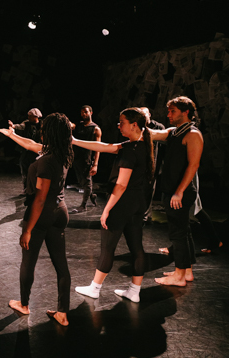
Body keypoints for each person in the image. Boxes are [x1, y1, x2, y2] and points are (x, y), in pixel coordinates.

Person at [0, 113, 73, 326]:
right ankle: (62, 313)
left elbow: (40, 200)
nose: (40, 130)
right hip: (60, 211)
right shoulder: (62, 153)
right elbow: (31, 145)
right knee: (61, 266)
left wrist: (27, 229)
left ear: (49, 132)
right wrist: (12, 135)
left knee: (28, 263)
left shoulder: (47, 161)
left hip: (43, 214)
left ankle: (24, 305)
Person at [73, 108, 154, 303]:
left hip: (123, 203)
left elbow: (121, 184)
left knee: (107, 248)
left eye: (122, 122)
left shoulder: (130, 151)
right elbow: (103, 147)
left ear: (134, 125)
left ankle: (95, 288)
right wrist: (74, 141)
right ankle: (134, 291)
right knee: (137, 247)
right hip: (138, 203)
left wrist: (107, 209)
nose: (118, 126)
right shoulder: (142, 145)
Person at [149, 96, 203, 287]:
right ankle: (186, 271)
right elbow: (153, 134)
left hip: (180, 192)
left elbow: (193, 165)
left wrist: (179, 192)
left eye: (172, 111)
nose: (168, 114)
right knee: (183, 232)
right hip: (172, 190)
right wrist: (135, 123)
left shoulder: (193, 134)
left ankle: (179, 276)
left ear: (185, 111)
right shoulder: (174, 132)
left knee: (178, 234)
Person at [70, 105, 101, 213]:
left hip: (87, 159)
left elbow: (98, 147)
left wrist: (95, 164)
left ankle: (83, 205)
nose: (83, 114)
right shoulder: (79, 125)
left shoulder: (95, 129)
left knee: (87, 182)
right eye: (82, 112)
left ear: (91, 113)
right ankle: (92, 195)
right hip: (76, 157)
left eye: (86, 112)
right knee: (81, 181)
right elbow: (71, 125)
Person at [139, 107, 165, 224]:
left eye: (145, 115)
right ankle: (142, 214)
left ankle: (145, 215)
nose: (143, 117)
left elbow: (163, 148)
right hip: (140, 163)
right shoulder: (138, 126)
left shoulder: (158, 127)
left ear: (149, 114)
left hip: (153, 164)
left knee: (149, 190)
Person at [9, 108, 42, 196]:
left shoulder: (42, 125)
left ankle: (35, 189)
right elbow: (21, 126)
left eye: (30, 116)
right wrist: (13, 126)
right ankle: (26, 188)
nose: (28, 117)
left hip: (36, 151)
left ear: (36, 117)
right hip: (26, 151)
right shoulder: (26, 123)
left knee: (36, 170)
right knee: (24, 168)